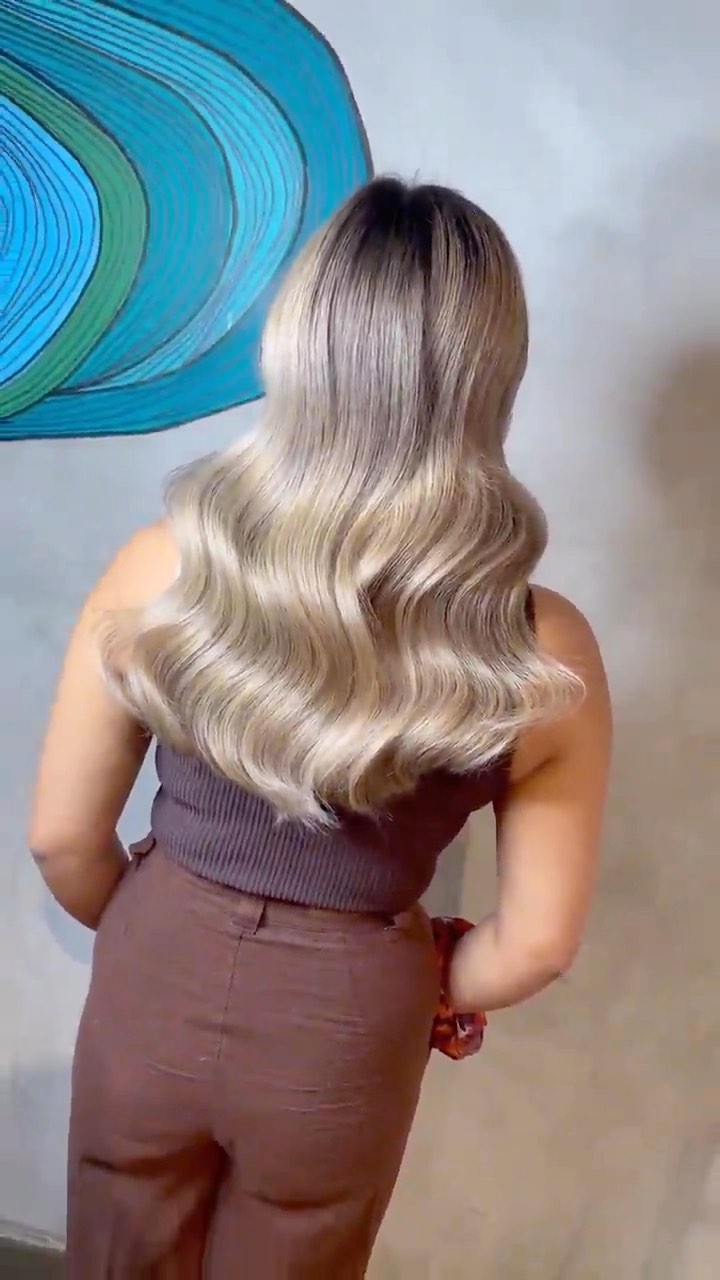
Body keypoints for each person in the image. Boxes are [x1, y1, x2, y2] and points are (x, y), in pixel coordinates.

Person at [29, 177, 611, 1278]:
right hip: (351, 1012)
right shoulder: (543, 644)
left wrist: (164, 930)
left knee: (117, 1251)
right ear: (491, 376)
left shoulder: (166, 563)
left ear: (300, 345)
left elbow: (63, 838)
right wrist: (415, 983)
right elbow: (537, 942)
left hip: (159, 959)